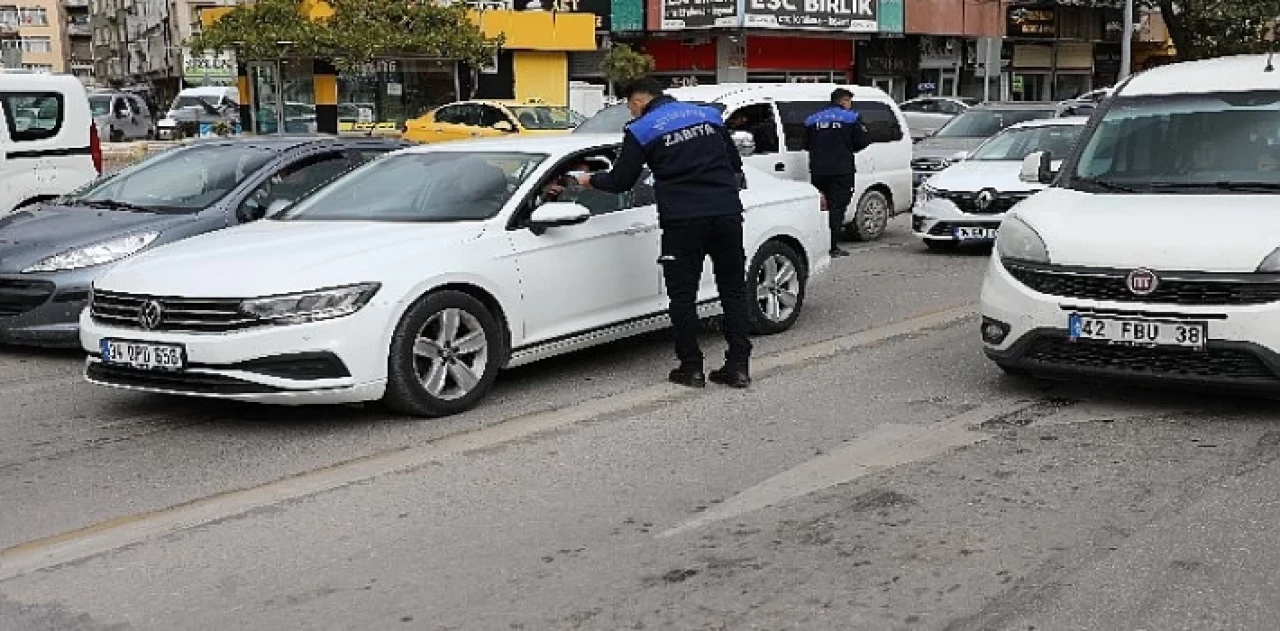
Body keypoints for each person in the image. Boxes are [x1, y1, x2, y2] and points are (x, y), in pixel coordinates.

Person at [576, 77, 753, 389]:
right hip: (726, 213)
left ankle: (691, 367)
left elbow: (620, 181)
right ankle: (738, 367)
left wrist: (589, 181)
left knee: (683, 296)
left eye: (630, 108)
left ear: (637, 101)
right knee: (733, 291)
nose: (631, 115)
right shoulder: (708, 115)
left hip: (683, 220)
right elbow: (735, 163)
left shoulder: (641, 129)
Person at [804, 88, 872, 258]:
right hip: (841, 171)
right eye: (849, 101)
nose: (850, 105)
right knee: (837, 208)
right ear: (843, 101)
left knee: (820, 208)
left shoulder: (812, 119)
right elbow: (863, 141)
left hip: (818, 171)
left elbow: (805, 144)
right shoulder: (852, 118)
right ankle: (832, 247)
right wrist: (846, 148)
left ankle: (817, 245)